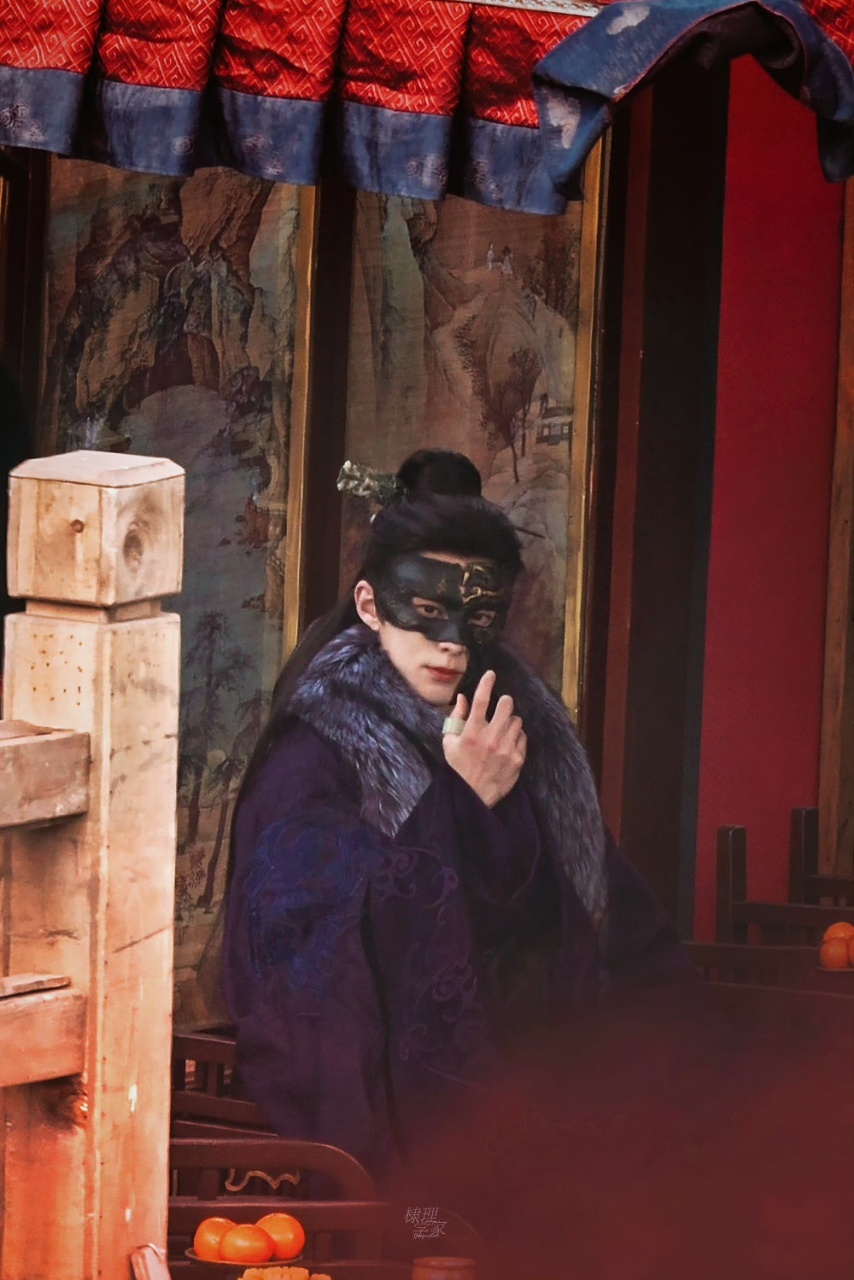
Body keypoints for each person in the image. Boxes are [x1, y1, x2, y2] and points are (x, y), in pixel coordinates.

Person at [222, 449, 698, 1179]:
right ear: (371, 605)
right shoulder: (316, 756)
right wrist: (460, 803)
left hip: (540, 1089)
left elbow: (601, 923)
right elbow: (313, 977)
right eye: (426, 611)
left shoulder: (518, 731)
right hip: (410, 1112)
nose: (449, 643)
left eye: (476, 617)